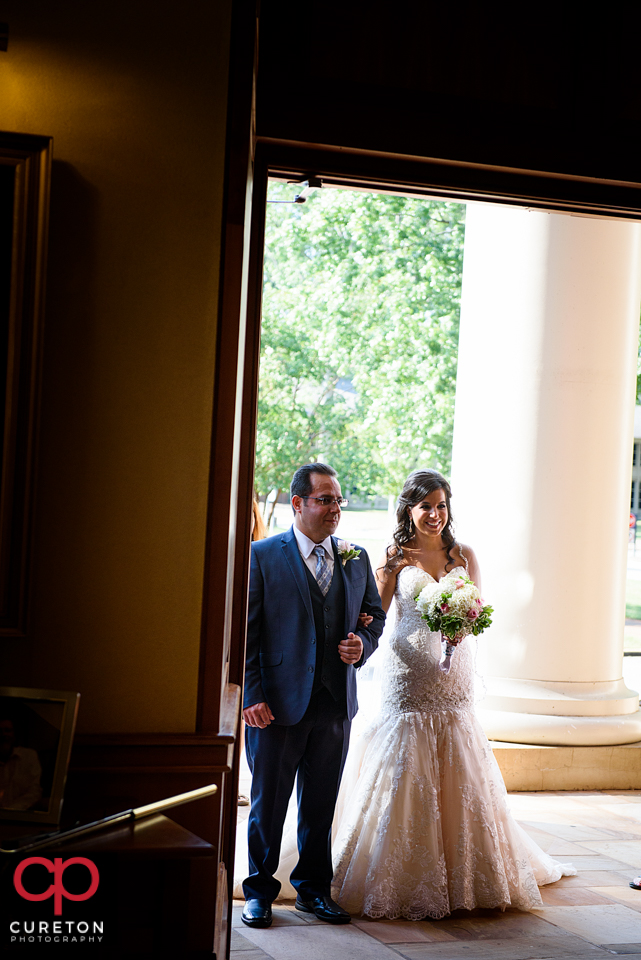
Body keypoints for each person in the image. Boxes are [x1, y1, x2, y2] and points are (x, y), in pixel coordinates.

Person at [330, 469, 575, 919]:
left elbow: (477, 609)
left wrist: (462, 622)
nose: (436, 515)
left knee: (459, 763)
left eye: (442, 506)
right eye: (427, 506)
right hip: (409, 678)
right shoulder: (394, 559)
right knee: (405, 763)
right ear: (409, 509)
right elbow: (376, 617)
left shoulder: (463, 555)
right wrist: (359, 634)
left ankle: (467, 871)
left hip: (453, 677)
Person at [241, 463, 385, 929]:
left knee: (320, 804)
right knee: (269, 805)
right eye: (324, 500)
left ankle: (312, 891)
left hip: (334, 704)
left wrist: (362, 645)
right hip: (276, 707)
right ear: (298, 503)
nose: (334, 509)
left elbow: (374, 617)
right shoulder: (262, 556)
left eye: (338, 500)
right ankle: (259, 892)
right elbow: (245, 634)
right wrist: (252, 695)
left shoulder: (355, 557)